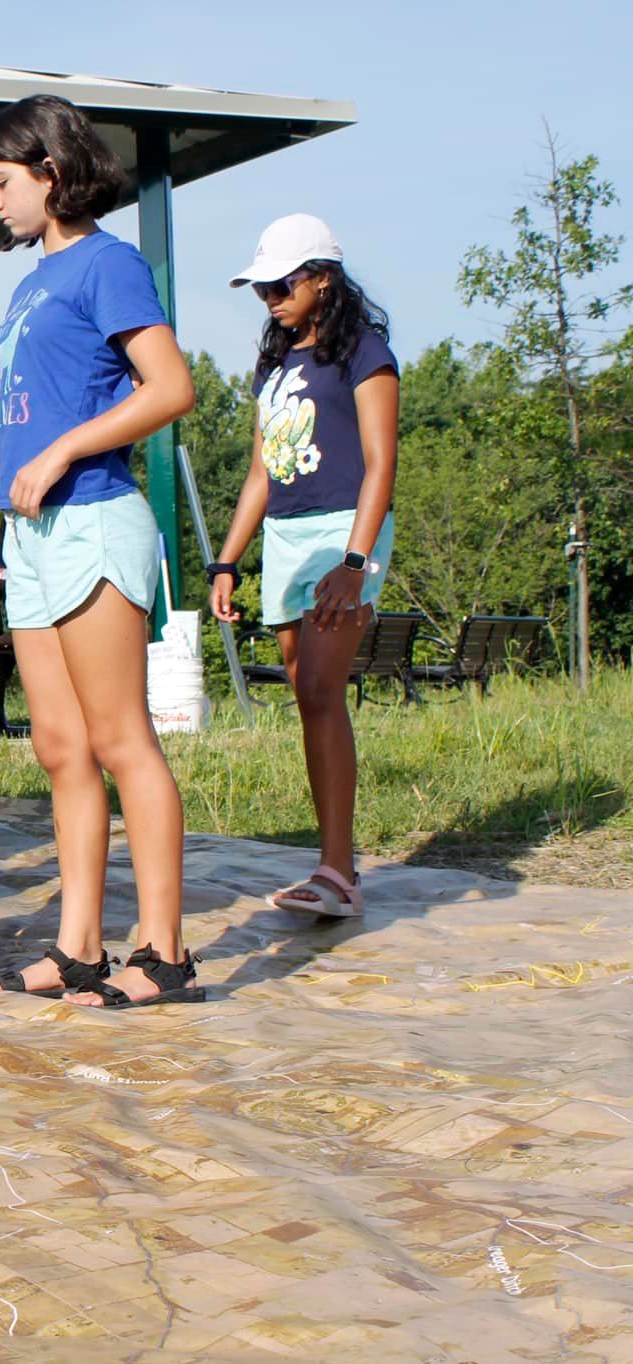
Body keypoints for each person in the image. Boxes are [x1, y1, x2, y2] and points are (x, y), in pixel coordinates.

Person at [0, 95, 201, 1008]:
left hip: (96, 518)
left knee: (119, 738)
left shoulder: (109, 264)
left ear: (51, 174)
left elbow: (172, 387)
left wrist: (68, 448)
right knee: (60, 745)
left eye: (0, 182)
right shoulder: (31, 279)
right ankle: (77, 950)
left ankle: (165, 952)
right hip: (29, 537)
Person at [213, 214, 397, 918]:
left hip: (344, 533)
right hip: (287, 537)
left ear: (323, 277)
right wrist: (226, 559)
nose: (269, 297)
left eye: (281, 283)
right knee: (308, 698)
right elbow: (263, 473)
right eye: (260, 288)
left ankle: (337, 871)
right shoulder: (274, 363)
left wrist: (357, 560)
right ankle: (334, 863)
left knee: (321, 689)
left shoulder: (365, 352)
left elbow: (382, 462)